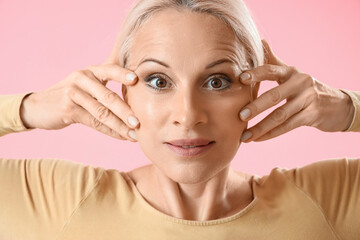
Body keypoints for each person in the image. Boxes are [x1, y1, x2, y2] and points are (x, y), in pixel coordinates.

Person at [0, 0, 359, 239]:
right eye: (158, 81)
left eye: (217, 81)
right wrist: (28, 108)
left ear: (255, 90)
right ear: (124, 92)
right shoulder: (63, 203)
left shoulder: (323, 203)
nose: (188, 116)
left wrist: (347, 109)